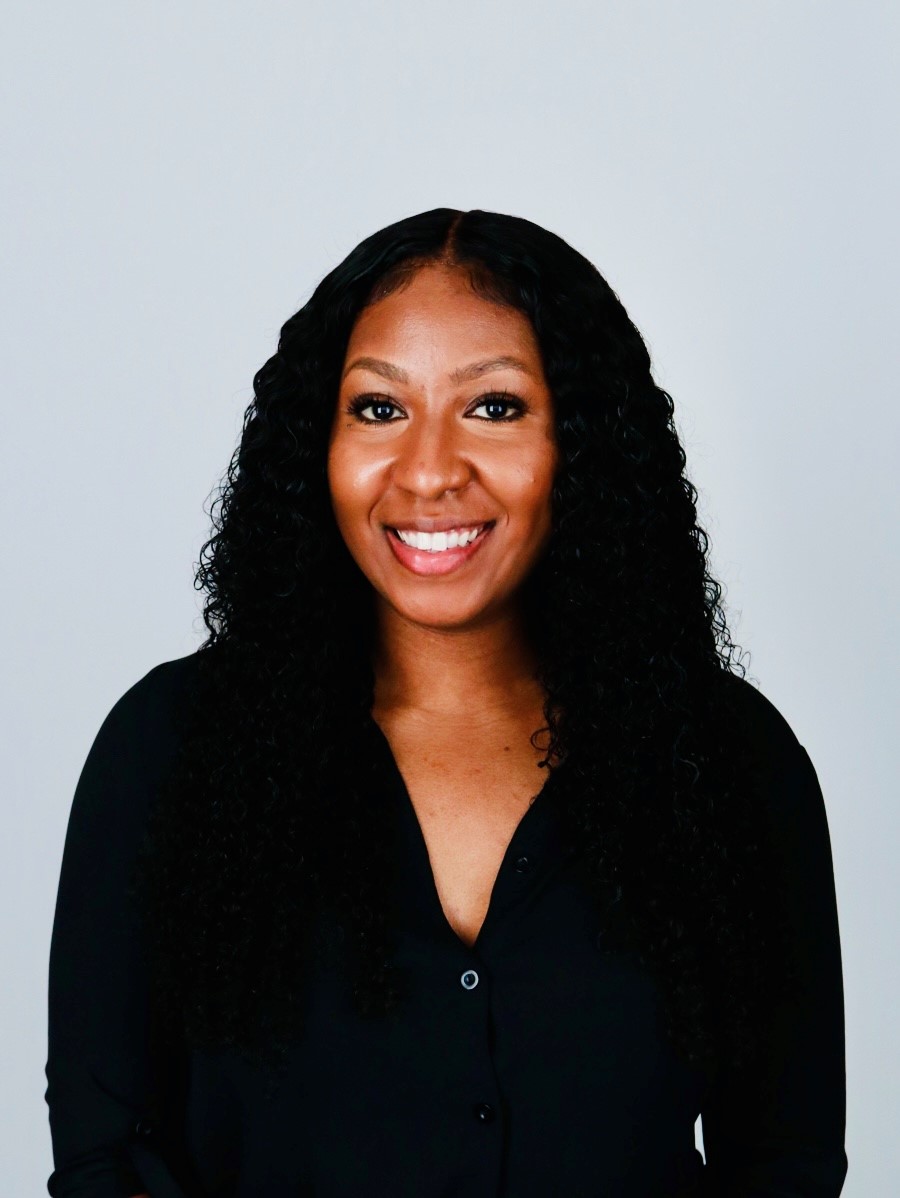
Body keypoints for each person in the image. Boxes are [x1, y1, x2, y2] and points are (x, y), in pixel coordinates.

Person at [44, 208, 848, 1197]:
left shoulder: (729, 764)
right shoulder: (171, 750)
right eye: (378, 408)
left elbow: (785, 1159)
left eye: (494, 407)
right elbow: (106, 1151)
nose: (428, 470)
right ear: (316, 445)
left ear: (583, 442)